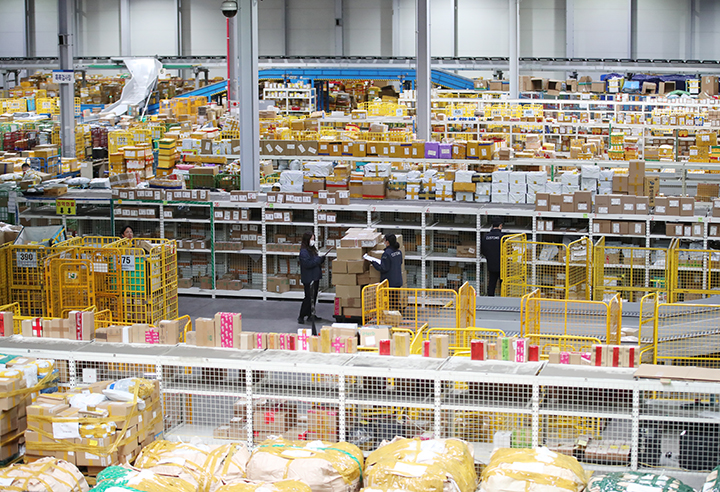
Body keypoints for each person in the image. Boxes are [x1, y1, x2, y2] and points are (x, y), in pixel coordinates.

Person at [298, 231, 325, 328]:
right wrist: (318, 260)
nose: (313, 241)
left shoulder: (311, 249)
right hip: (309, 278)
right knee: (308, 297)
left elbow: (314, 260)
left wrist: (320, 259)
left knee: (314, 297)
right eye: (312, 239)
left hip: (315, 277)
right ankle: (301, 316)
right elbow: (307, 264)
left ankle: (310, 315)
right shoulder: (304, 252)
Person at [481, 218, 504, 296]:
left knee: (491, 282)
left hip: (491, 264)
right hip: (502, 265)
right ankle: (504, 299)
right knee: (503, 284)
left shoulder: (485, 237)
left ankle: (490, 299)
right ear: (500, 226)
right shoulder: (503, 237)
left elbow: (483, 251)